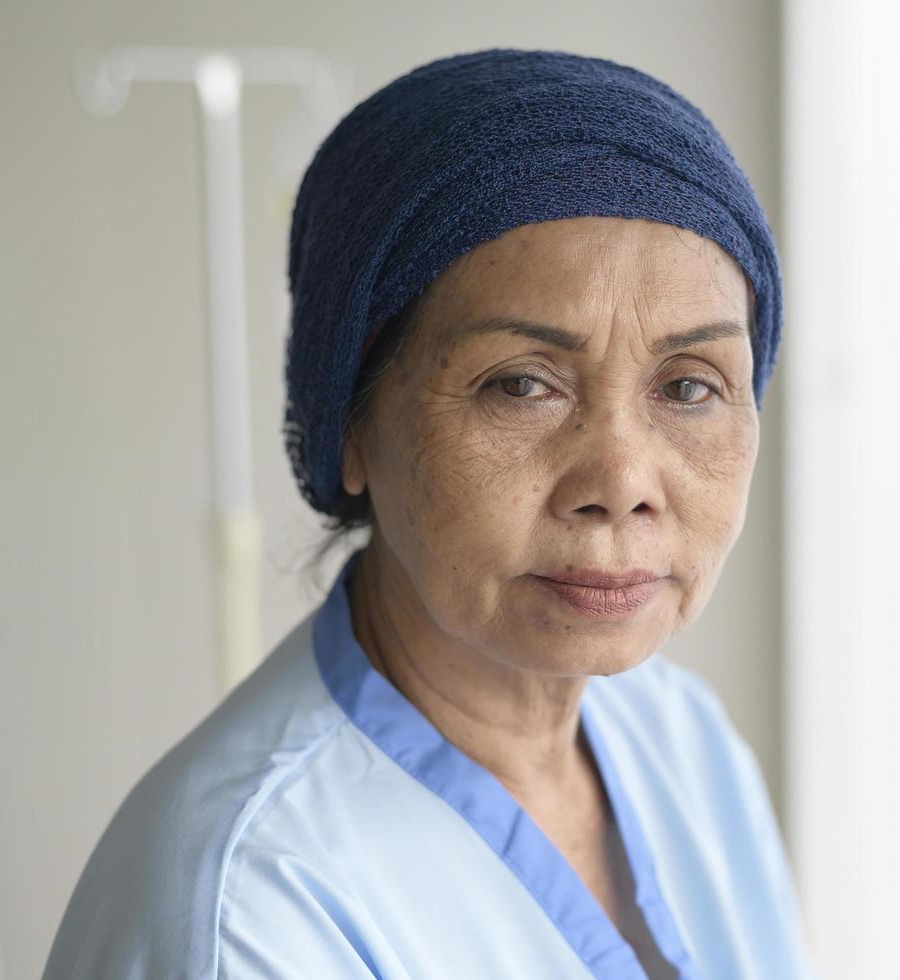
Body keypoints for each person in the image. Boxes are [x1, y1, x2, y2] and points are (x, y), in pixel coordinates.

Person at [43, 47, 817, 979]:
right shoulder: (249, 911)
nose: (621, 480)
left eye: (691, 387)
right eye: (522, 384)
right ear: (351, 423)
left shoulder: (681, 739)